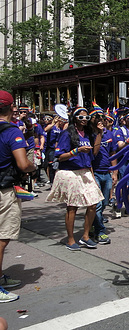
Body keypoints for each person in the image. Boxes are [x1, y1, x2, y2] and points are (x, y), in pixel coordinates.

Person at [46, 107, 104, 251]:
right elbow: (59, 156)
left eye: (86, 118)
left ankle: (85, 236)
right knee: (72, 207)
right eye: (81, 117)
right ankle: (71, 239)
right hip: (70, 172)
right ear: (74, 118)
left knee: (93, 204)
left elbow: (94, 154)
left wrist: (100, 133)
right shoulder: (67, 134)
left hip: (85, 172)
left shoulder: (88, 134)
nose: (84, 120)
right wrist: (76, 151)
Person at [0, 90, 36, 302]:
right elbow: (23, 163)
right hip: (3, 190)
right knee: (1, 240)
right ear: (11, 108)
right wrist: (31, 168)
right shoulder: (12, 131)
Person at [89, 107, 116, 244]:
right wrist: (99, 133)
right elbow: (94, 152)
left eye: (102, 117)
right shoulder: (89, 135)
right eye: (97, 117)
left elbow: (113, 154)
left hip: (107, 172)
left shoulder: (110, 134)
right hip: (94, 173)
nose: (101, 120)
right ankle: (100, 231)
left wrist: (115, 171)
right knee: (97, 204)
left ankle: (92, 223)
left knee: (105, 202)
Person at [44, 114, 67, 183]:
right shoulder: (52, 127)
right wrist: (53, 123)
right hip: (50, 148)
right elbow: (45, 130)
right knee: (48, 165)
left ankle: (55, 181)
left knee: (55, 166)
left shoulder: (61, 128)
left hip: (58, 149)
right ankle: (51, 180)